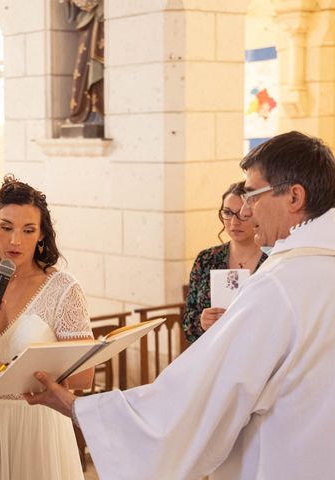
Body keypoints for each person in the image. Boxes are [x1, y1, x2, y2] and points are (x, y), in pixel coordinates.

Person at [26, 131, 335, 479]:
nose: (246, 212)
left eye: (253, 196)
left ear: (294, 196)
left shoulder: (279, 284)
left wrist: (79, 408)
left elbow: (201, 397)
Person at [0, 175, 94, 480]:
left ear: (41, 236)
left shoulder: (62, 288)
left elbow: (84, 376)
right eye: (6, 228)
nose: (15, 241)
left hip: (37, 425)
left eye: (28, 230)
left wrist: (1, 372)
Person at [183, 181, 267, 342]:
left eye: (243, 214)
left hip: (259, 353)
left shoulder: (272, 259)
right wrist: (201, 322)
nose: (234, 222)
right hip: (213, 353)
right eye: (227, 213)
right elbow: (188, 323)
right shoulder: (206, 259)